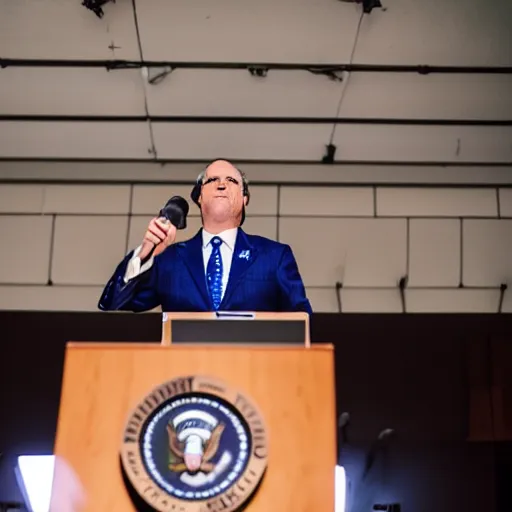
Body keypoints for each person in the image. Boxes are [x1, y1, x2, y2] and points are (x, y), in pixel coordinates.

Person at [98, 159, 312, 315]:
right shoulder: (169, 259)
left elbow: (302, 324)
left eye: (231, 180)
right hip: (188, 373)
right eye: (212, 180)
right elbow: (113, 303)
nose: (222, 184)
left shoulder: (274, 256)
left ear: (245, 198)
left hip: (253, 372)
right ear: (199, 196)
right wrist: (146, 253)